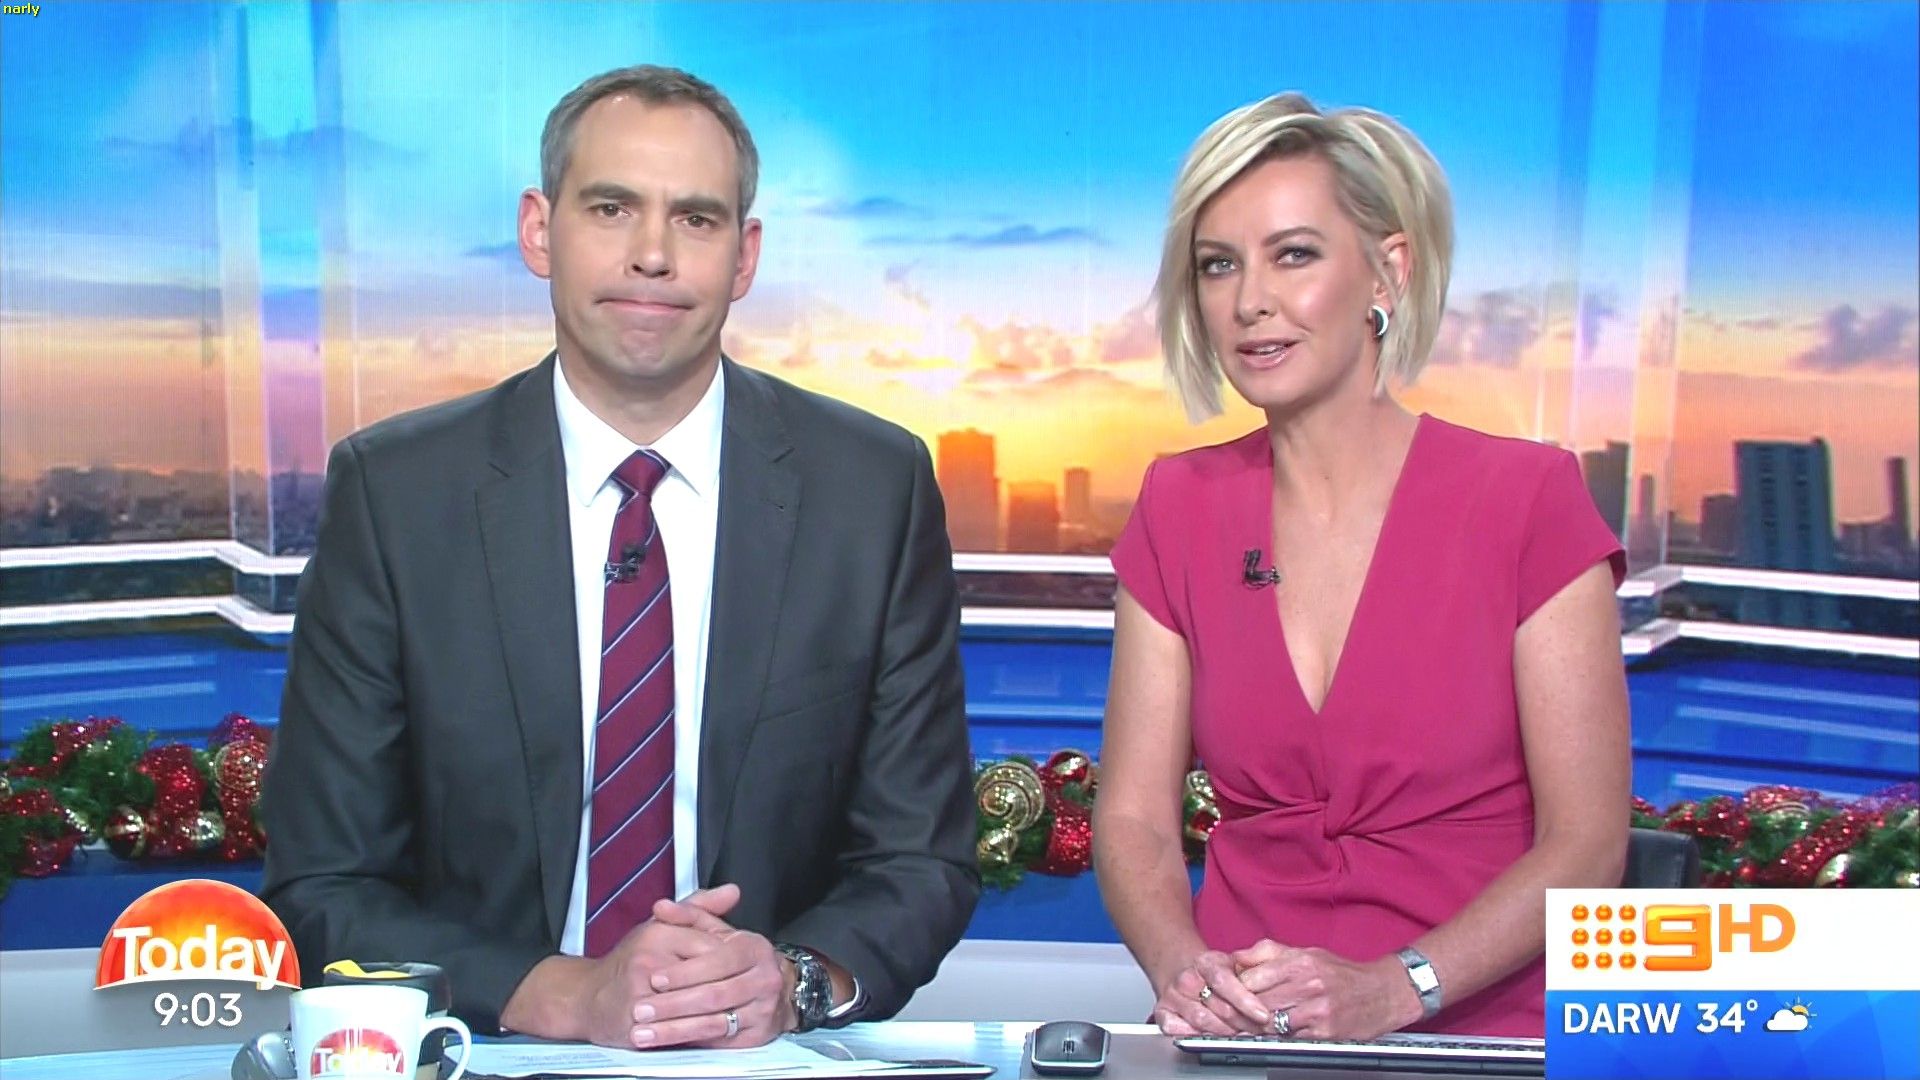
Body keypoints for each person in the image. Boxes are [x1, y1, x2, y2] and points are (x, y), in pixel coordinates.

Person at [259, 65, 979, 1051]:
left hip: (762, 1058)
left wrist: (793, 980)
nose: (652, 255)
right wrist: (566, 994)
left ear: (745, 256)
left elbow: (920, 860)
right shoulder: (396, 496)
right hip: (489, 1049)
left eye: (696, 219)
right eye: (610, 209)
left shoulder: (872, 490)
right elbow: (324, 883)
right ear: (538, 231)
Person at [1092, 92, 1630, 1041]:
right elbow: (1134, 819)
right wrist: (1186, 973)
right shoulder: (1180, 505)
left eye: (1294, 255)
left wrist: (1398, 987)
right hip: (1250, 1035)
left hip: (1480, 1034)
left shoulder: (1527, 498)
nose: (1249, 300)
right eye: (1219, 264)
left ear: (1389, 271)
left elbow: (1586, 844)